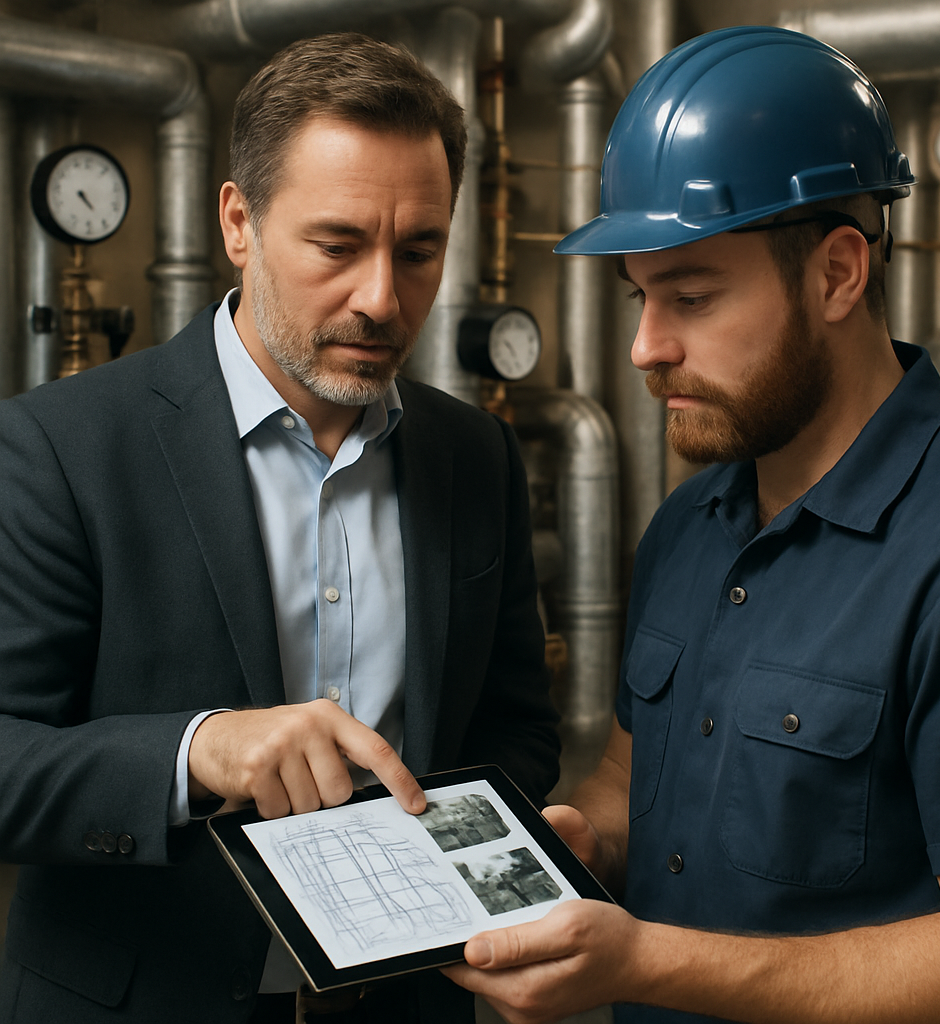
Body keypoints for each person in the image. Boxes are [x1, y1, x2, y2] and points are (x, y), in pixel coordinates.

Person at [445, 25, 940, 1024]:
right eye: (637, 299)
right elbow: (630, 776)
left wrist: (644, 962)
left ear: (838, 273)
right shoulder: (689, 522)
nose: (643, 347)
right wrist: (590, 842)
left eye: (692, 297)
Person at [0, 32, 559, 1024]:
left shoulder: (476, 456)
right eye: (337, 246)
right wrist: (196, 752)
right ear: (238, 222)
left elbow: (516, 729)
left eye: (419, 250)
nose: (382, 297)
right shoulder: (58, 447)